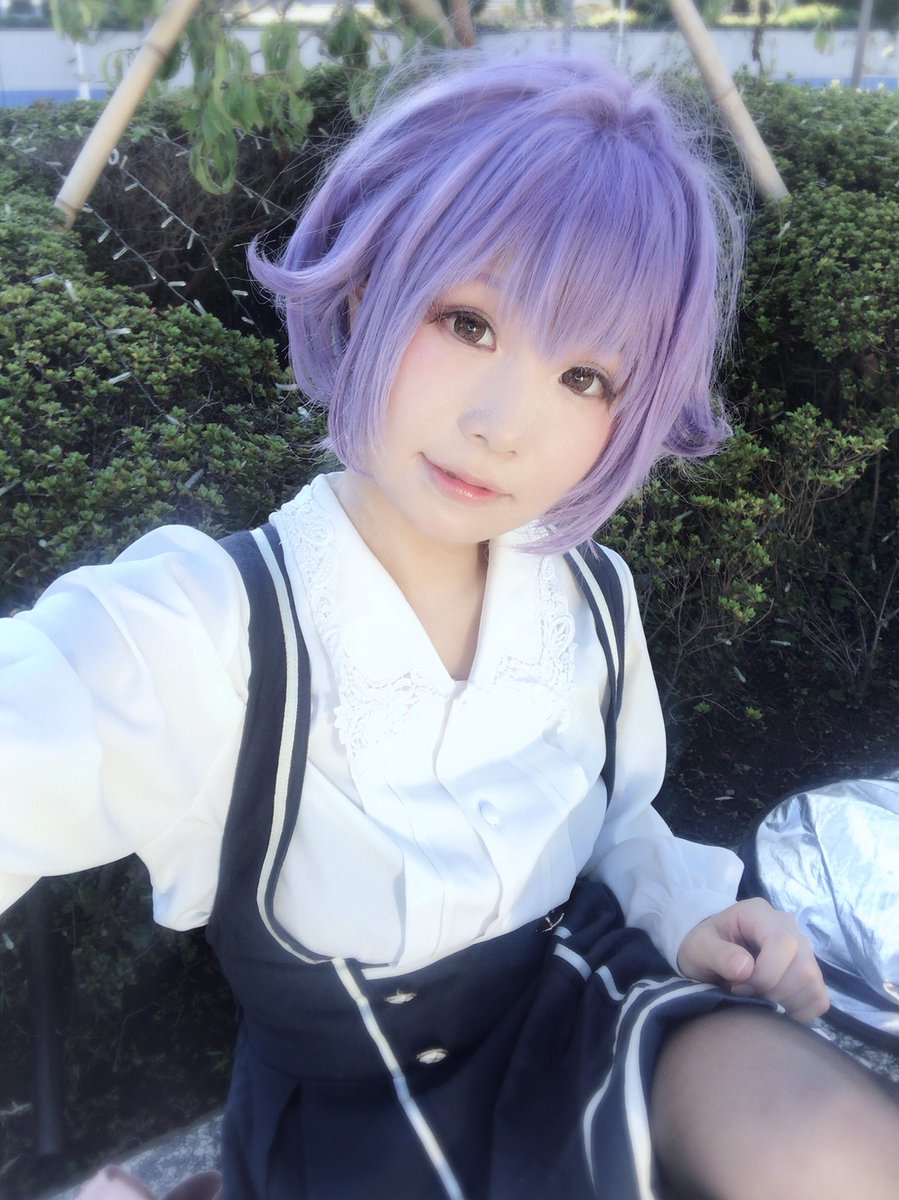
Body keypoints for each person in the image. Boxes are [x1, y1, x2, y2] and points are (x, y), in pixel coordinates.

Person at [3, 52, 898, 1200]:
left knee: (838, 1155)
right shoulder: (203, 634)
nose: (503, 423)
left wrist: (686, 916)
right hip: (357, 1136)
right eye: (467, 320)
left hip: (593, 1010)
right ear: (365, 289)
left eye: (584, 377)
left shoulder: (589, 595)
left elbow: (616, 821)